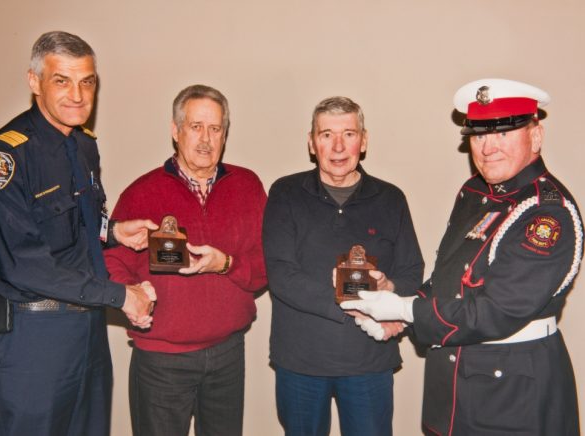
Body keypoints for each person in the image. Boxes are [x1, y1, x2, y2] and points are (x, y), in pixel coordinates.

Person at [342, 79, 583, 435]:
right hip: (455, 390)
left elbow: (495, 312)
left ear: (535, 136)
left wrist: (404, 309)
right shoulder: (474, 193)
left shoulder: (547, 215)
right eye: (479, 135)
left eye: (504, 133)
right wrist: (398, 315)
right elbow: (449, 280)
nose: (488, 147)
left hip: (513, 397)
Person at [0, 31, 159, 436]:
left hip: (87, 332)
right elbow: (24, 265)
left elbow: (78, 222)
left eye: (87, 81)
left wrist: (115, 231)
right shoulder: (2, 159)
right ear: (34, 81)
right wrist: (121, 295)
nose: (77, 94)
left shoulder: (84, 146)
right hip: (34, 338)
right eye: (62, 80)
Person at [104, 84, 268, 436]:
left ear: (225, 134)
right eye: (196, 127)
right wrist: (130, 293)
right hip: (161, 360)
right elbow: (112, 261)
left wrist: (225, 263)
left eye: (215, 128)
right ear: (175, 131)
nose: (206, 139)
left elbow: (266, 268)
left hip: (228, 354)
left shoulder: (248, 186)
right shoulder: (141, 193)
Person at [262, 96, 424, 436]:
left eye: (348, 134)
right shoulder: (285, 192)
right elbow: (281, 275)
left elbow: (412, 270)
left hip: (370, 360)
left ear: (363, 141)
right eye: (326, 135)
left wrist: (388, 290)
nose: (338, 146)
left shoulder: (391, 198)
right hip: (301, 363)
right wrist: (349, 305)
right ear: (311, 142)